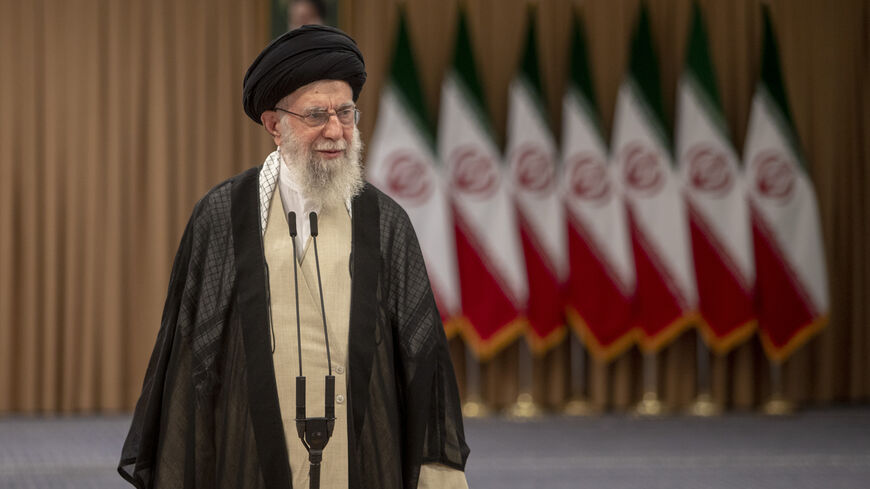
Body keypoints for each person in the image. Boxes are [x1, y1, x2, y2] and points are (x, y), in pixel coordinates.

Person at [118, 25, 469, 489]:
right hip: (250, 459)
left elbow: (424, 363)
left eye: (346, 113)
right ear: (274, 125)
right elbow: (191, 361)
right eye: (316, 115)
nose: (336, 131)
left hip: (361, 462)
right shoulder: (222, 217)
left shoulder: (385, 222)